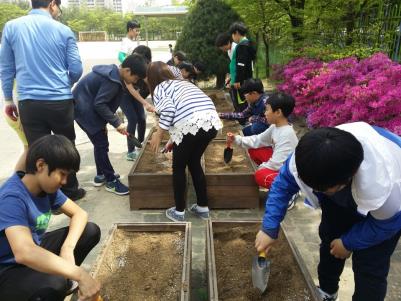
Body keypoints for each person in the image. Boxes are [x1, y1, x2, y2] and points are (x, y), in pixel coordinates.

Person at [255, 122, 401, 301]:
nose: (315, 191)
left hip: (386, 216)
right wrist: (269, 227)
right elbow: (282, 185)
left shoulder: (387, 187)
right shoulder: (310, 155)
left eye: (322, 189)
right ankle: (327, 292)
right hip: (342, 184)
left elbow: (386, 225)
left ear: (350, 177)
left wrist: (349, 242)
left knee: (370, 266)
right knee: (330, 242)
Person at [0, 0, 85, 201]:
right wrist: (65, 83)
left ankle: (42, 196)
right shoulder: (64, 30)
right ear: (52, 4)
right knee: (66, 146)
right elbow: (76, 69)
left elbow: (6, 69)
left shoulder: (11, 27)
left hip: (29, 102)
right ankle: (70, 192)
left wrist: (8, 99)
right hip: (60, 101)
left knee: (38, 150)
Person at [0, 135, 101, 301]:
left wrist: (67, 248)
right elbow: (24, 252)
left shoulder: (47, 189)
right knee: (54, 283)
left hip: (31, 250)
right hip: (7, 268)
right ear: (40, 165)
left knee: (90, 231)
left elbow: (80, 214)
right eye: (62, 174)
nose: (65, 181)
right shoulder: (12, 198)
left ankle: (56, 284)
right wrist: (80, 274)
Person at [147, 62, 222, 222]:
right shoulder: (185, 83)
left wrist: (159, 134)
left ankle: (179, 211)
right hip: (211, 123)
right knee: (194, 162)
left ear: (152, 78)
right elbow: (184, 111)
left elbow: (169, 111)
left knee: (179, 167)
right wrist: (174, 140)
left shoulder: (161, 87)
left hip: (191, 125)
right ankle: (203, 208)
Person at [73, 54, 147, 195]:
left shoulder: (114, 73)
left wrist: (104, 123)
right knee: (101, 145)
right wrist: (117, 123)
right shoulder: (112, 81)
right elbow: (100, 104)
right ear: (127, 71)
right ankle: (111, 180)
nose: (135, 82)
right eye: (135, 78)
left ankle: (101, 175)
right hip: (85, 111)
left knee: (100, 143)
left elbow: (100, 102)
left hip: (85, 109)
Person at [227, 92, 297, 190]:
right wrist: (237, 138)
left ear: (278, 112)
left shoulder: (286, 134)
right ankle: (274, 178)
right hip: (280, 163)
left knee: (260, 176)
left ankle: (289, 190)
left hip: (287, 171)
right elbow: (258, 140)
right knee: (254, 149)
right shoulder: (275, 127)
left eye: (267, 109)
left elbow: (277, 164)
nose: (265, 113)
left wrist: (262, 168)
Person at [120, 45, 155, 161]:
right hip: (124, 96)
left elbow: (150, 84)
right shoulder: (128, 68)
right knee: (133, 119)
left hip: (137, 96)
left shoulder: (146, 68)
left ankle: (140, 144)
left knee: (141, 118)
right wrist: (146, 103)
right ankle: (130, 151)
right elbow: (131, 89)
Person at [228, 22, 256, 116]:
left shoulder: (242, 45)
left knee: (242, 101)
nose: (232, 37)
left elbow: (241, 64)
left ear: (236, 32)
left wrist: (237, 80)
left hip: (242, 80)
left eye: (232, 34)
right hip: (247, 77)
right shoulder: (249, 43)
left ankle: (244, 120)